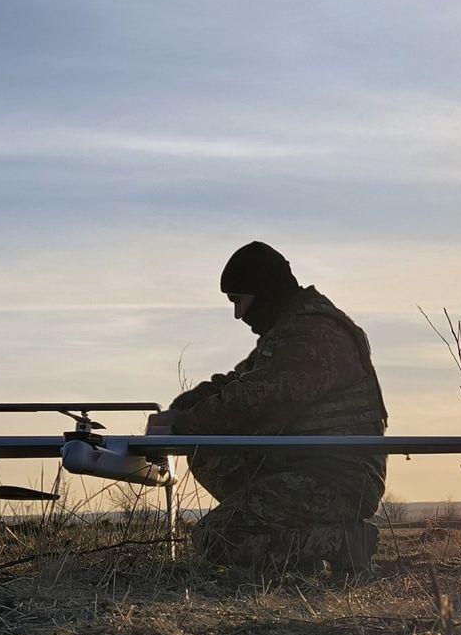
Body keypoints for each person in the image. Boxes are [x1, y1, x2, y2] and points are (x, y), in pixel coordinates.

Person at [147, 241, 388, 576]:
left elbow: (255, 402)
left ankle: (340, 540)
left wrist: (181, 426)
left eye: (239, 301)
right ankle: (297, 552)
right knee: (209, 453)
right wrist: (179, 411)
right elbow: (237, 382)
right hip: (304, 466)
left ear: (264, 292)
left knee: (217, 538)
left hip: (336, 479)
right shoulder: (291, 330)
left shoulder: (314, 334)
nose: (238, 314)